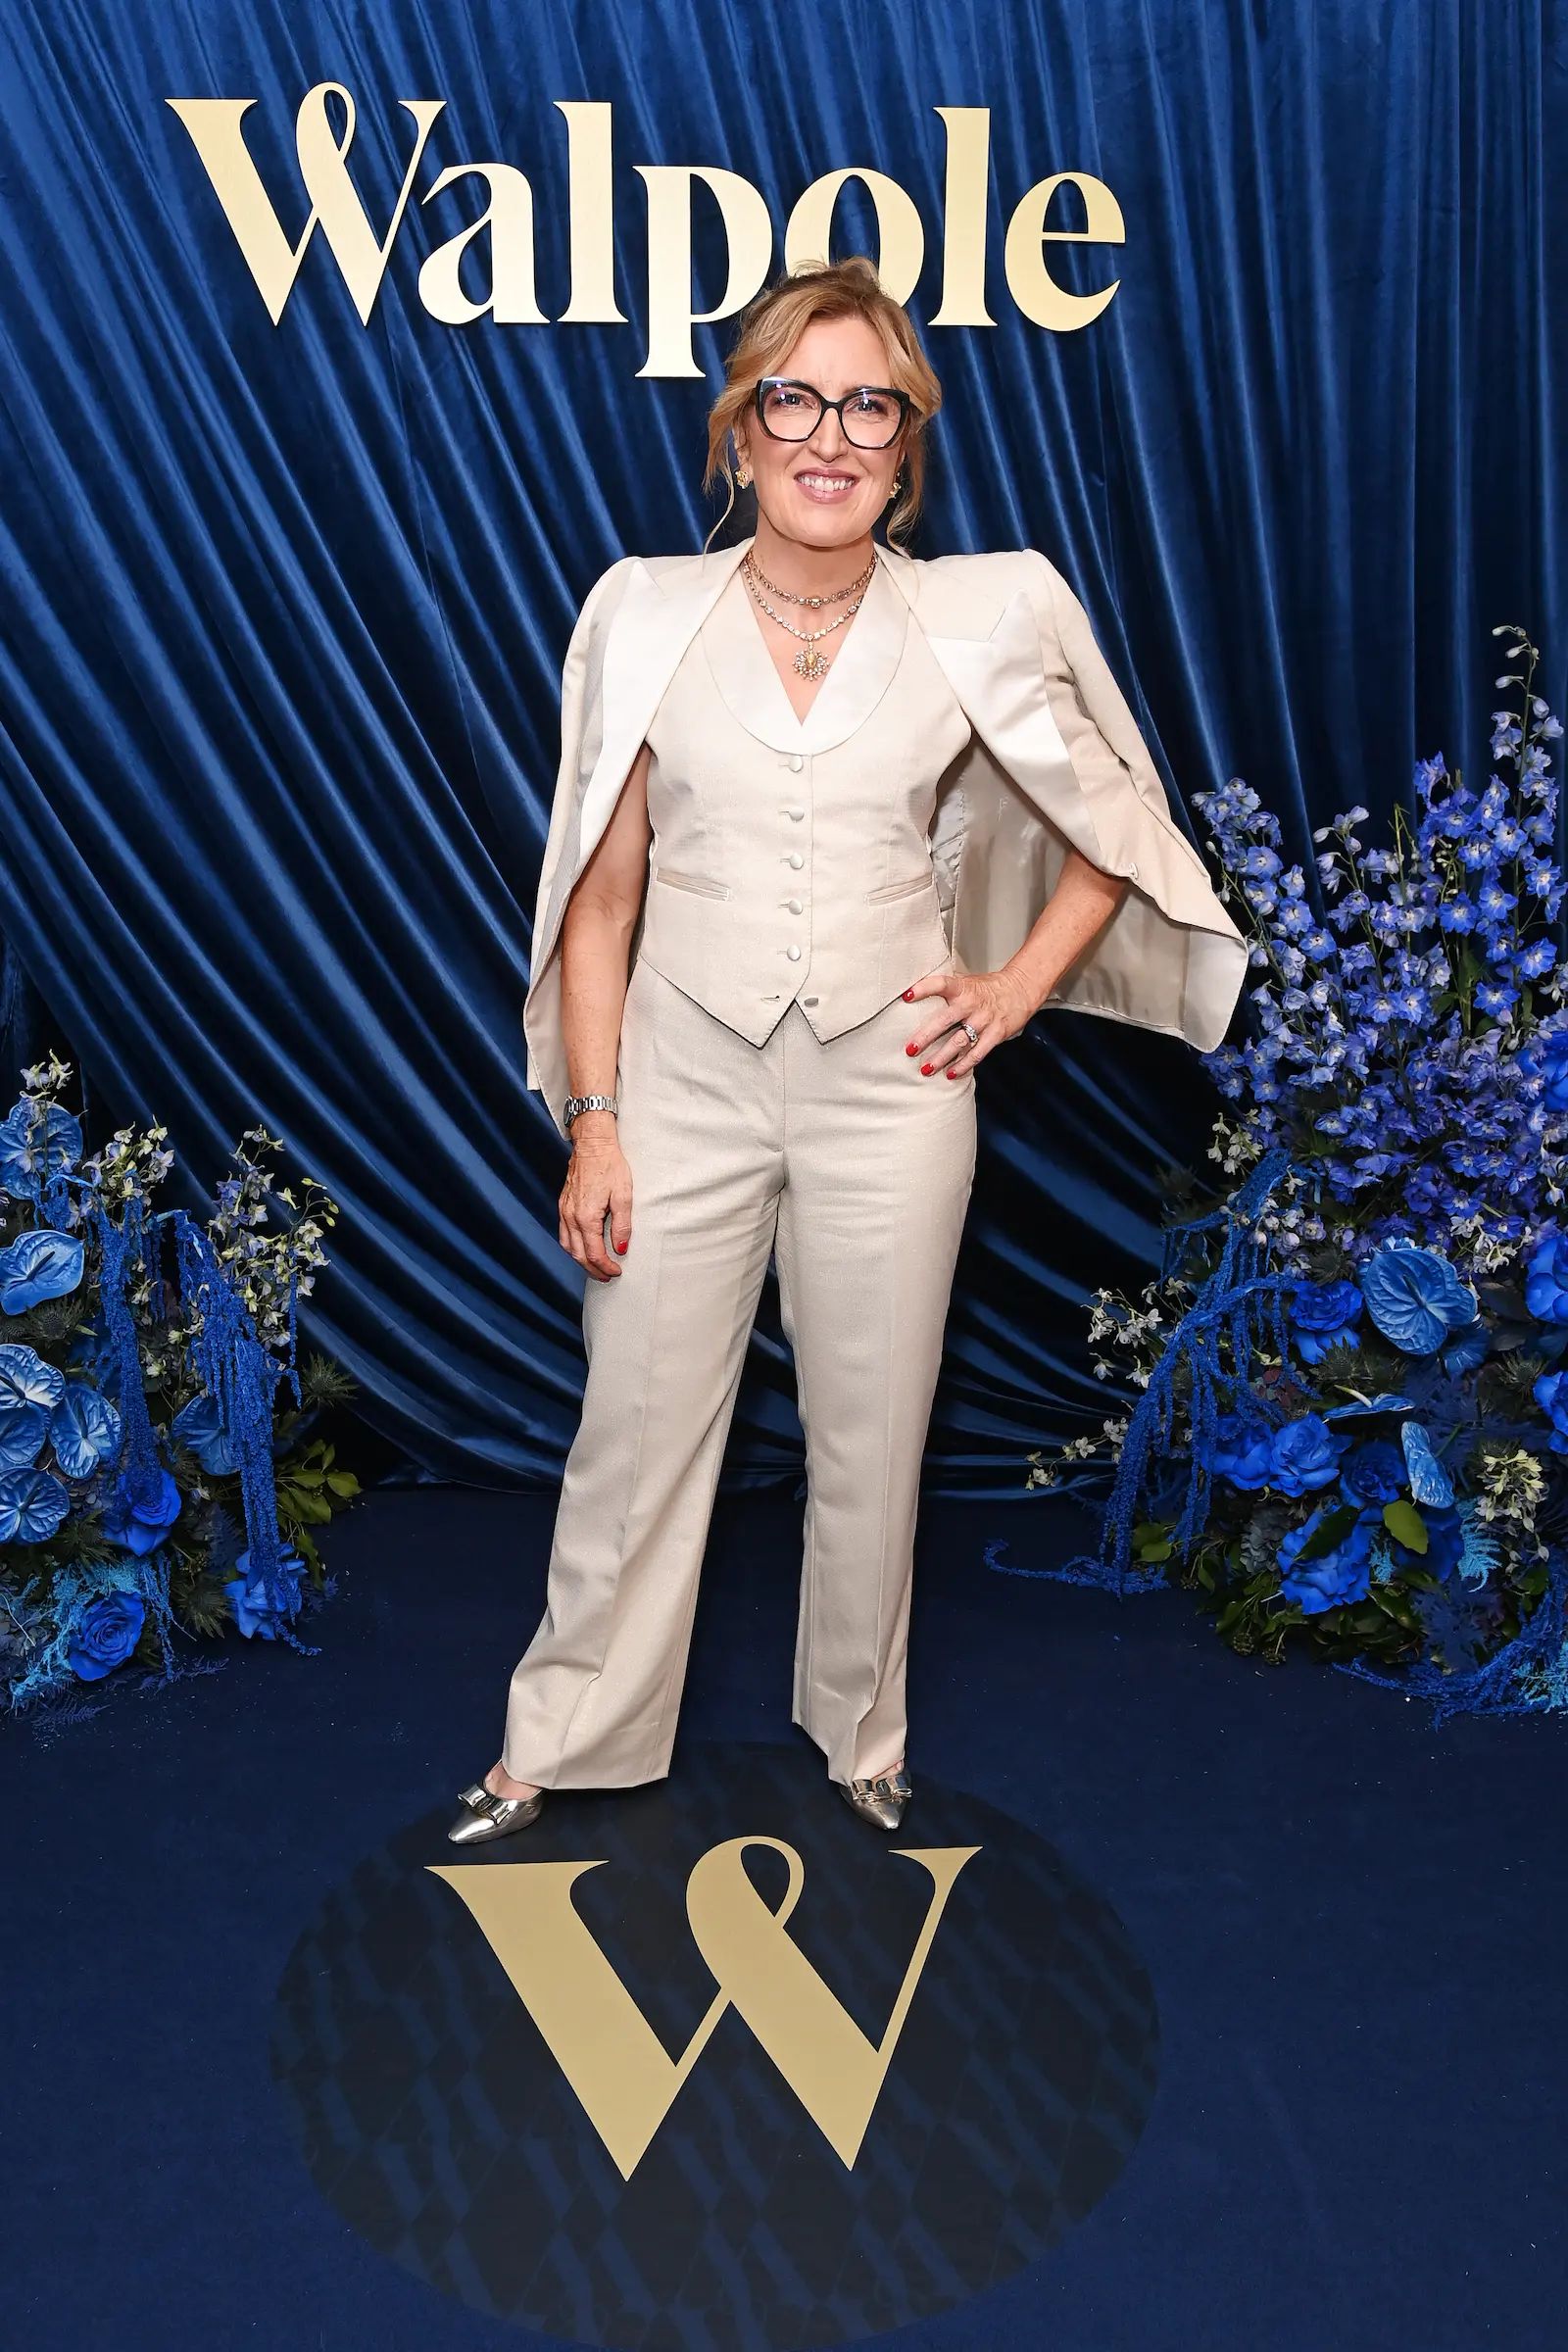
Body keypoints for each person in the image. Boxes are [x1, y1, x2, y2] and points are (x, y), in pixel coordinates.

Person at [448, 257, 1246, 1845]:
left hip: (894, 1087)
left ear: (906, 440)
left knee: (878, 1426)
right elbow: (599, 905)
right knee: (635, 1425)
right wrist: (593, 1123)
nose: (831, 435)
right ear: (741, 431)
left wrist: (1010, 991)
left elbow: (1121, 832)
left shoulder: (985, 614)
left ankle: (860, 1729)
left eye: (867, 403)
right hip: (678, 1076)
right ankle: (564, 1734)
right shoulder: (642, 610)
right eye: (793, 399)